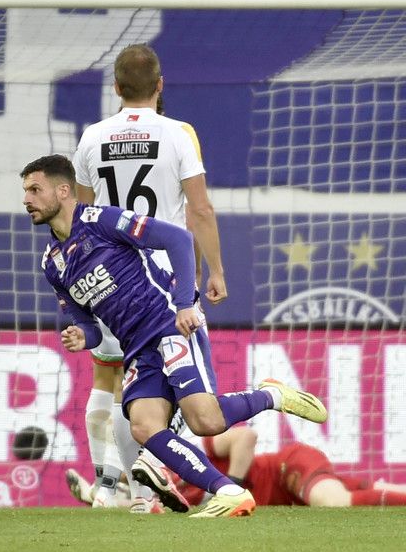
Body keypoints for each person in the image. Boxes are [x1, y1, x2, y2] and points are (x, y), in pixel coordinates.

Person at [20, 154, 328, 518]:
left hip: (168, 323)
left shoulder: (101, 220)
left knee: (205, 421)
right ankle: (230, 492)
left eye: (35, 190)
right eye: (25, 192)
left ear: (63, 190)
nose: (27, 200)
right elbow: (88, 325)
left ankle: (271, 395)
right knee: (143, 425)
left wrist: (184, 304)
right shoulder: (52, 263)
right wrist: (82, 337)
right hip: (136, 347)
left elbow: (179, 238)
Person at [69, 44, 227, 512]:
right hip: (163, 278)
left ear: (116, 88)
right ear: (160, 86)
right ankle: (150, 467)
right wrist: (215, 270)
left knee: (122, 380)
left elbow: (83, 214)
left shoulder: (92, 137)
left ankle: (135, 497)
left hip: (111, 277)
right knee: (182, 380)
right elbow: (200, 209)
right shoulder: (178, 133)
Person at [175, 426, 406, 508]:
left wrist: (231, 488)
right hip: (291, 496)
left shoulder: (187, 450)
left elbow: (245, 436)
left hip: (286, 468)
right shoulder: (171, 494)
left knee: (333, 502)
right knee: (364, 490)